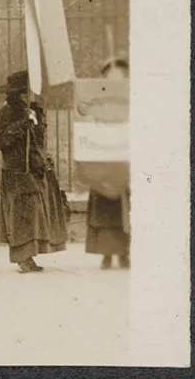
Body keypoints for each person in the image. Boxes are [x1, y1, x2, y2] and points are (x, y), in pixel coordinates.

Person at [0, 69, 69, 273]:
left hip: (35, 168)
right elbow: (0, 140)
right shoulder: (6, 112)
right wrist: (22, 125)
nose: (30, 96)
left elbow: (39, 141)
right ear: (16, 94)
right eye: (26, 93)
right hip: (16, 170)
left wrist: (44, 158)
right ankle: (22, 258)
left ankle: (30, 255)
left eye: (32, 92)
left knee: (34, 212)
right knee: (21, 213)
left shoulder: (35, 111)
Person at [85, 60, 130, 270]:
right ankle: (106, 253)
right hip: (103, 164)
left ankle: (124, 253)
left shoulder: (131, 100)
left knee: (125, 210)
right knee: (104, 212)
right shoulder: (97, 102)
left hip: (124, 162)